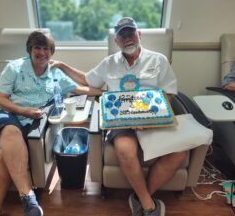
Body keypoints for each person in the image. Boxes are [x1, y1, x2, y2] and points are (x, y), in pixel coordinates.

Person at [52, 17, 188, 216]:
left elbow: (168, 93)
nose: (127, 38)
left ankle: (141, 197)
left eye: (131, 33)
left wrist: (150, 119)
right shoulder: (109, 63)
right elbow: (87, 80)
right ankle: (149, 206)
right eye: (122, 35)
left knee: (180, 153)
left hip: (153, 118)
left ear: (138, 34)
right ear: (116, 42)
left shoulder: (158, 60)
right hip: (122, 121)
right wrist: (63, 65)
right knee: (125, 149)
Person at [0, 30, 102, 216]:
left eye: (46, 48)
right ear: (30, 49)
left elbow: (80, 88)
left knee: (0, 156)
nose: (42, 52)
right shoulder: (15, 68)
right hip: (2, 111)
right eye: (37, 47)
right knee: (12, 131)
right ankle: (28, 196)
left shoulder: (55, 74)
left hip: (29, 118)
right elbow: (0, 98)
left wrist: (106, 91)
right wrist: (24, 111)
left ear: (52, 52)